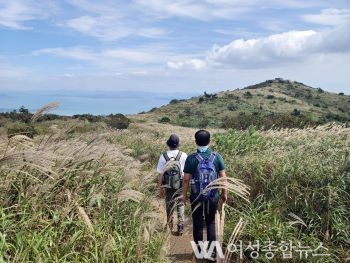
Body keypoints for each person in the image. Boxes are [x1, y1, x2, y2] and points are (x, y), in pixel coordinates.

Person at [183, 129, 227, 262]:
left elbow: (186, 179)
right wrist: (224, 193)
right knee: (210, 222)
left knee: (197, 223)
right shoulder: (216, 157)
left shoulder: (191, 158)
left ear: (196, 141)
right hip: (213, 195)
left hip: (196, 195)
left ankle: (199, 252)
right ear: (210, 141)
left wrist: (183, 195)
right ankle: (212, 253)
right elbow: (223, 177)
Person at [157, 134, 188, 235]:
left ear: (168, 144)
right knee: (180, 204)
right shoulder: (183, 155)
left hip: (168, 185)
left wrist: (160, 188)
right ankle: (181, 226)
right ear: (178, 144)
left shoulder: (163, 156)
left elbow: (160, 174)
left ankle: (170, 224)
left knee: (169, 204)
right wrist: (186, 189)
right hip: (180, 184)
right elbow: (186, 174)